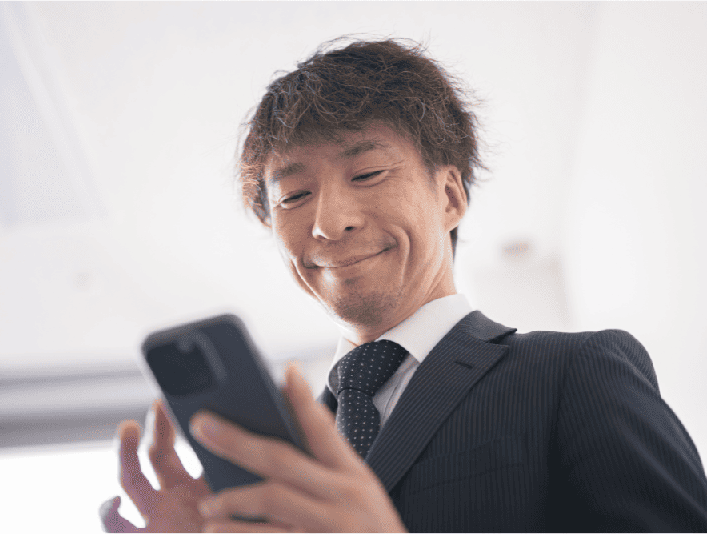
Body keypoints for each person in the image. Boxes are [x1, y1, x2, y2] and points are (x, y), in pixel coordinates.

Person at [101, 38, 707, 532]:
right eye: (293, 195)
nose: (327, 221)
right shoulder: (288, 459)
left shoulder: (576, 371)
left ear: (448, 196)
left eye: (366, 173)